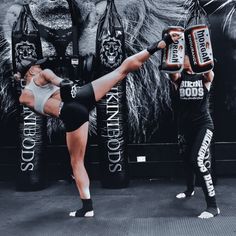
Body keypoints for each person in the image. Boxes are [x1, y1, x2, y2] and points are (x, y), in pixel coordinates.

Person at [14, 31, 181, 218]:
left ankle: (87, 207)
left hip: (71, 112)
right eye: (36, 66)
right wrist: (66, 85)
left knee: (77, 162)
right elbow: (59, 81)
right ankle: (160, 44)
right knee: (120, 71)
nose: (40, 67)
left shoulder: (24, 97)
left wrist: (59, 87)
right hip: (81, 96)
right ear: (31, 71)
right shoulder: (43, 74)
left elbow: (45, 105)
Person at [169, 55, 220, 219]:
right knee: (186, 158)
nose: (185, 60)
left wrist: (203, 56)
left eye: (187, 58)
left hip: (204, 126)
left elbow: (209, 74)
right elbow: (173, 74)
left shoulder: (204, 77)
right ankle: (189, 189)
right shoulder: (179, 77)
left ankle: (213, 206)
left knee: (197, 160)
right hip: (185, 128)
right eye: (183, 58)